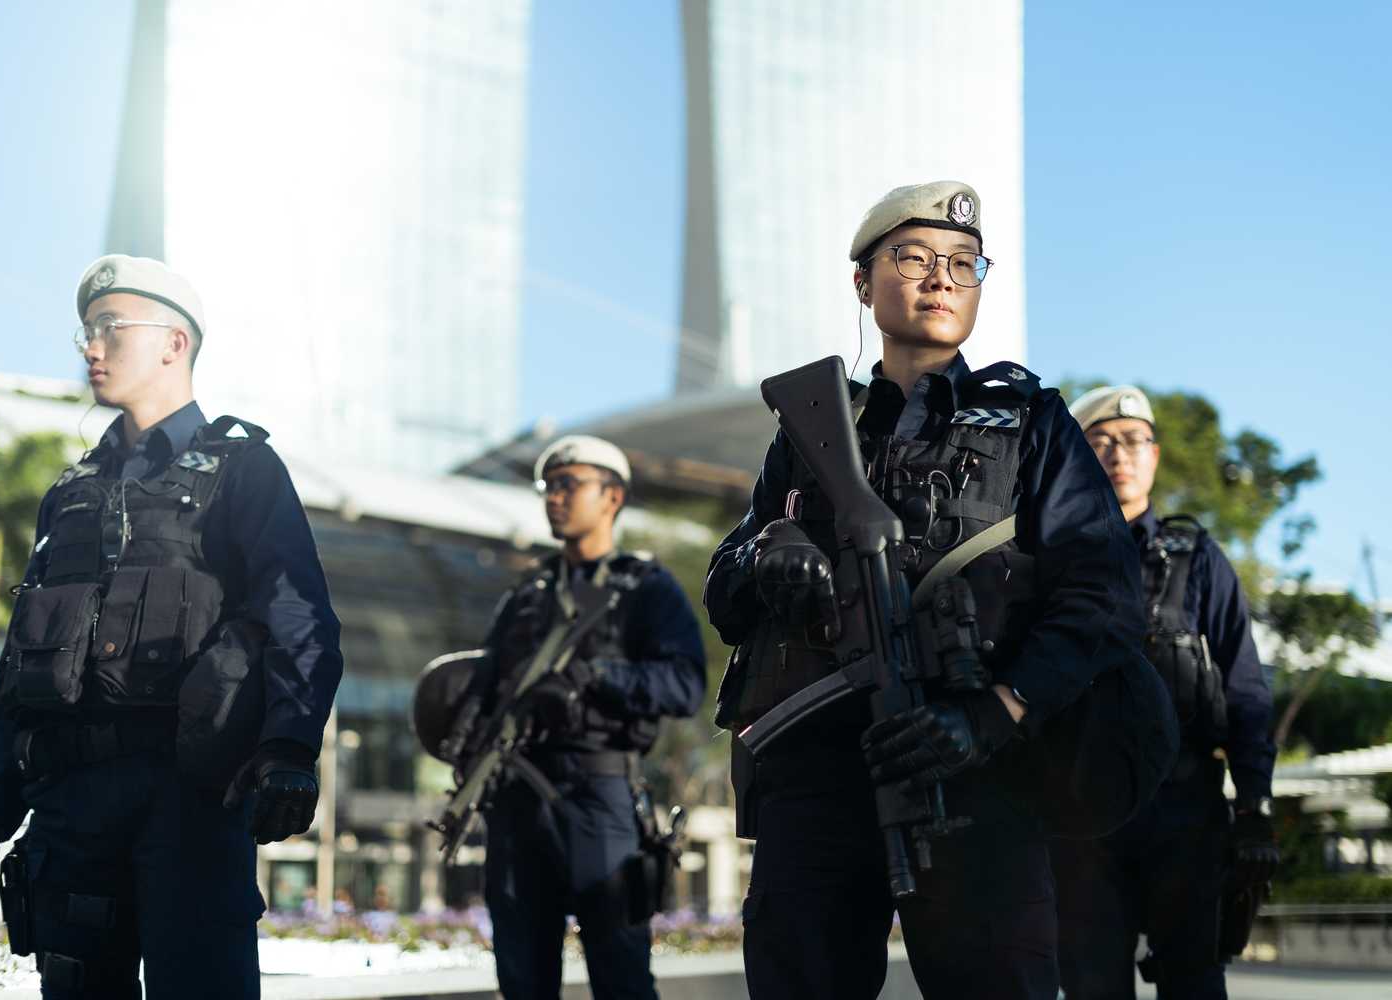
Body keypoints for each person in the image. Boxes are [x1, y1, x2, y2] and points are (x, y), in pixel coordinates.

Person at [704, 181, 1152, 999]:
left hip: (973, 771)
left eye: (962, 263)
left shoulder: (1032, 423)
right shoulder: (810, 424)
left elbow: (1105, 594)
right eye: (913, 257)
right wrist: (770, 553)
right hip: (816, 780)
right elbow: (725, 588)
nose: (941, 279)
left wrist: (998, 711)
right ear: (864, 283)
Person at [0, 254, 344, 1000]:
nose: (90, 348)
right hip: (70, 801)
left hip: (188, 795)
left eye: (108, 328)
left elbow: (297, 612)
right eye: (85, 333)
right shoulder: (70, 491)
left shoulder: (242, 469)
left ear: (174, 343)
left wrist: (290, 746)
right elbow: (20, 658)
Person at [1051, 386, 1278, 999]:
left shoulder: (1200, 560)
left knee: (1194, 983)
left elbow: (1246, 689)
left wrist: (1255, 806)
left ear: (1154, 455)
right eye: (1100, 443)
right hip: (1082, 816)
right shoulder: (1051, 560)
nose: (1118, 455)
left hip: (1186, 812)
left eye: (1132, 441)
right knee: (1091, 985)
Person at [476, 436, 705, 1000]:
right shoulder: (527, 593)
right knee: (522, 979)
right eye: (548, 487)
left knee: (621, 975)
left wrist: (596, 677)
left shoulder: (644, 587)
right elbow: (481, 692)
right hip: (516, 794)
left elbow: (685, 685)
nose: (554, 498)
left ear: (612, 497)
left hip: (599, 795)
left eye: (568, 485)